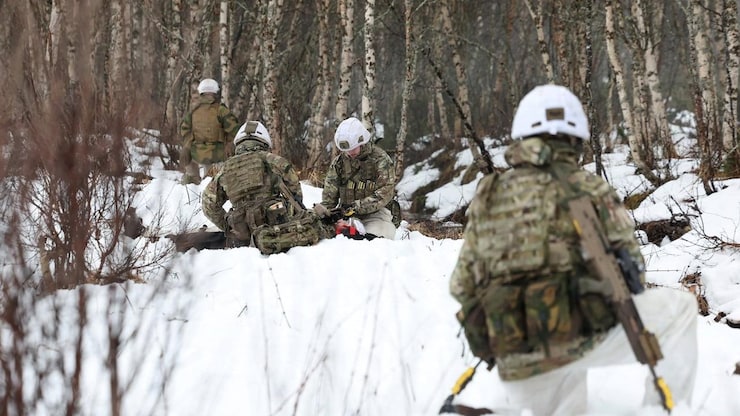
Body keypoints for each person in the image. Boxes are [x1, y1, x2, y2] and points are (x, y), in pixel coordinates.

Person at [449, 85, 698, 415]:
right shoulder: (589, 188)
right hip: (578, 341)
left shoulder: (489, 193)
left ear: (521, 136)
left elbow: (461, 285)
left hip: (514, 354)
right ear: (576, 139)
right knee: (679, 307)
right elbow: (633, 274)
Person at [201, 121, 305, 246]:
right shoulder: (275, 162)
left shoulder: (224, 170)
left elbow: (209, 205)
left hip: (242, 237)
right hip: (278, 232)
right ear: (264, 141)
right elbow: (296, 198)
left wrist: (229, 227)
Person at [313, 117, 397, 240]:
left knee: (378, 238)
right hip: (347, 216)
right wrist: (326, 214)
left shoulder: (380, 160)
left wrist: (355, 207)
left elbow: (384, 194)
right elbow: (329, 198)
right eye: (346, 150)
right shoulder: (339, 164)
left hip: (376, 215)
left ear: (362, 141)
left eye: (353, 148)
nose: (349, 152)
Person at [179, 78, 240, 185]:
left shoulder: (193, 111)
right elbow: (235, 131)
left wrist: (189, 146)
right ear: (215, 92)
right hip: (217, 155)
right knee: (213, 184)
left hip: (196, 153)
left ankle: (191, 187)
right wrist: (230, 145)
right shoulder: (221, 110)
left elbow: (184, 130)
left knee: (192, 183)